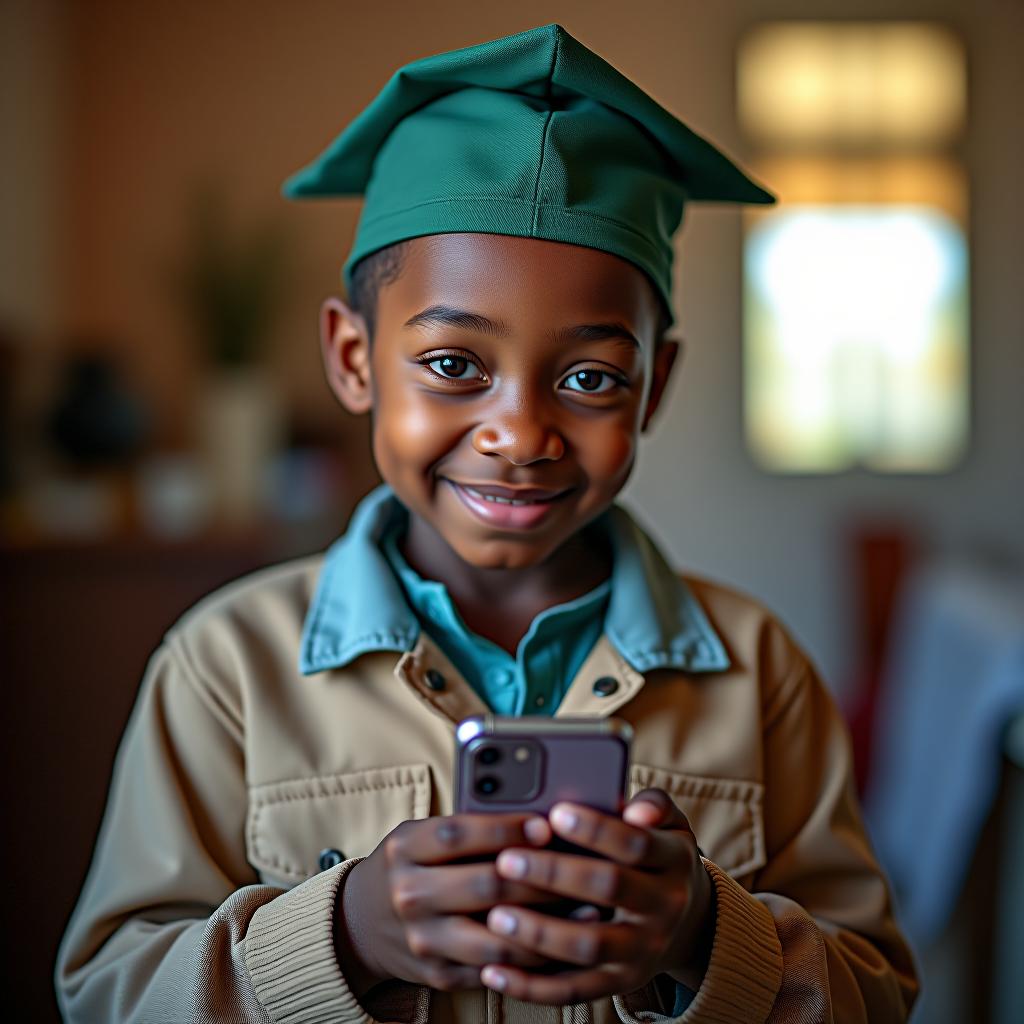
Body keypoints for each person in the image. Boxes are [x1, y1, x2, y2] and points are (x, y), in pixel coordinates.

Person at [55, 22, 918, 1024]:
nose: (519, 433)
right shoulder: (226, 669)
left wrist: (695, 932)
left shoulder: (758, 670)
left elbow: (876, 991)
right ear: (351, 356)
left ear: (655, 385)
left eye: (591, 377)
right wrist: (345, 938)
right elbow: (111, 992)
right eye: (454, 364)